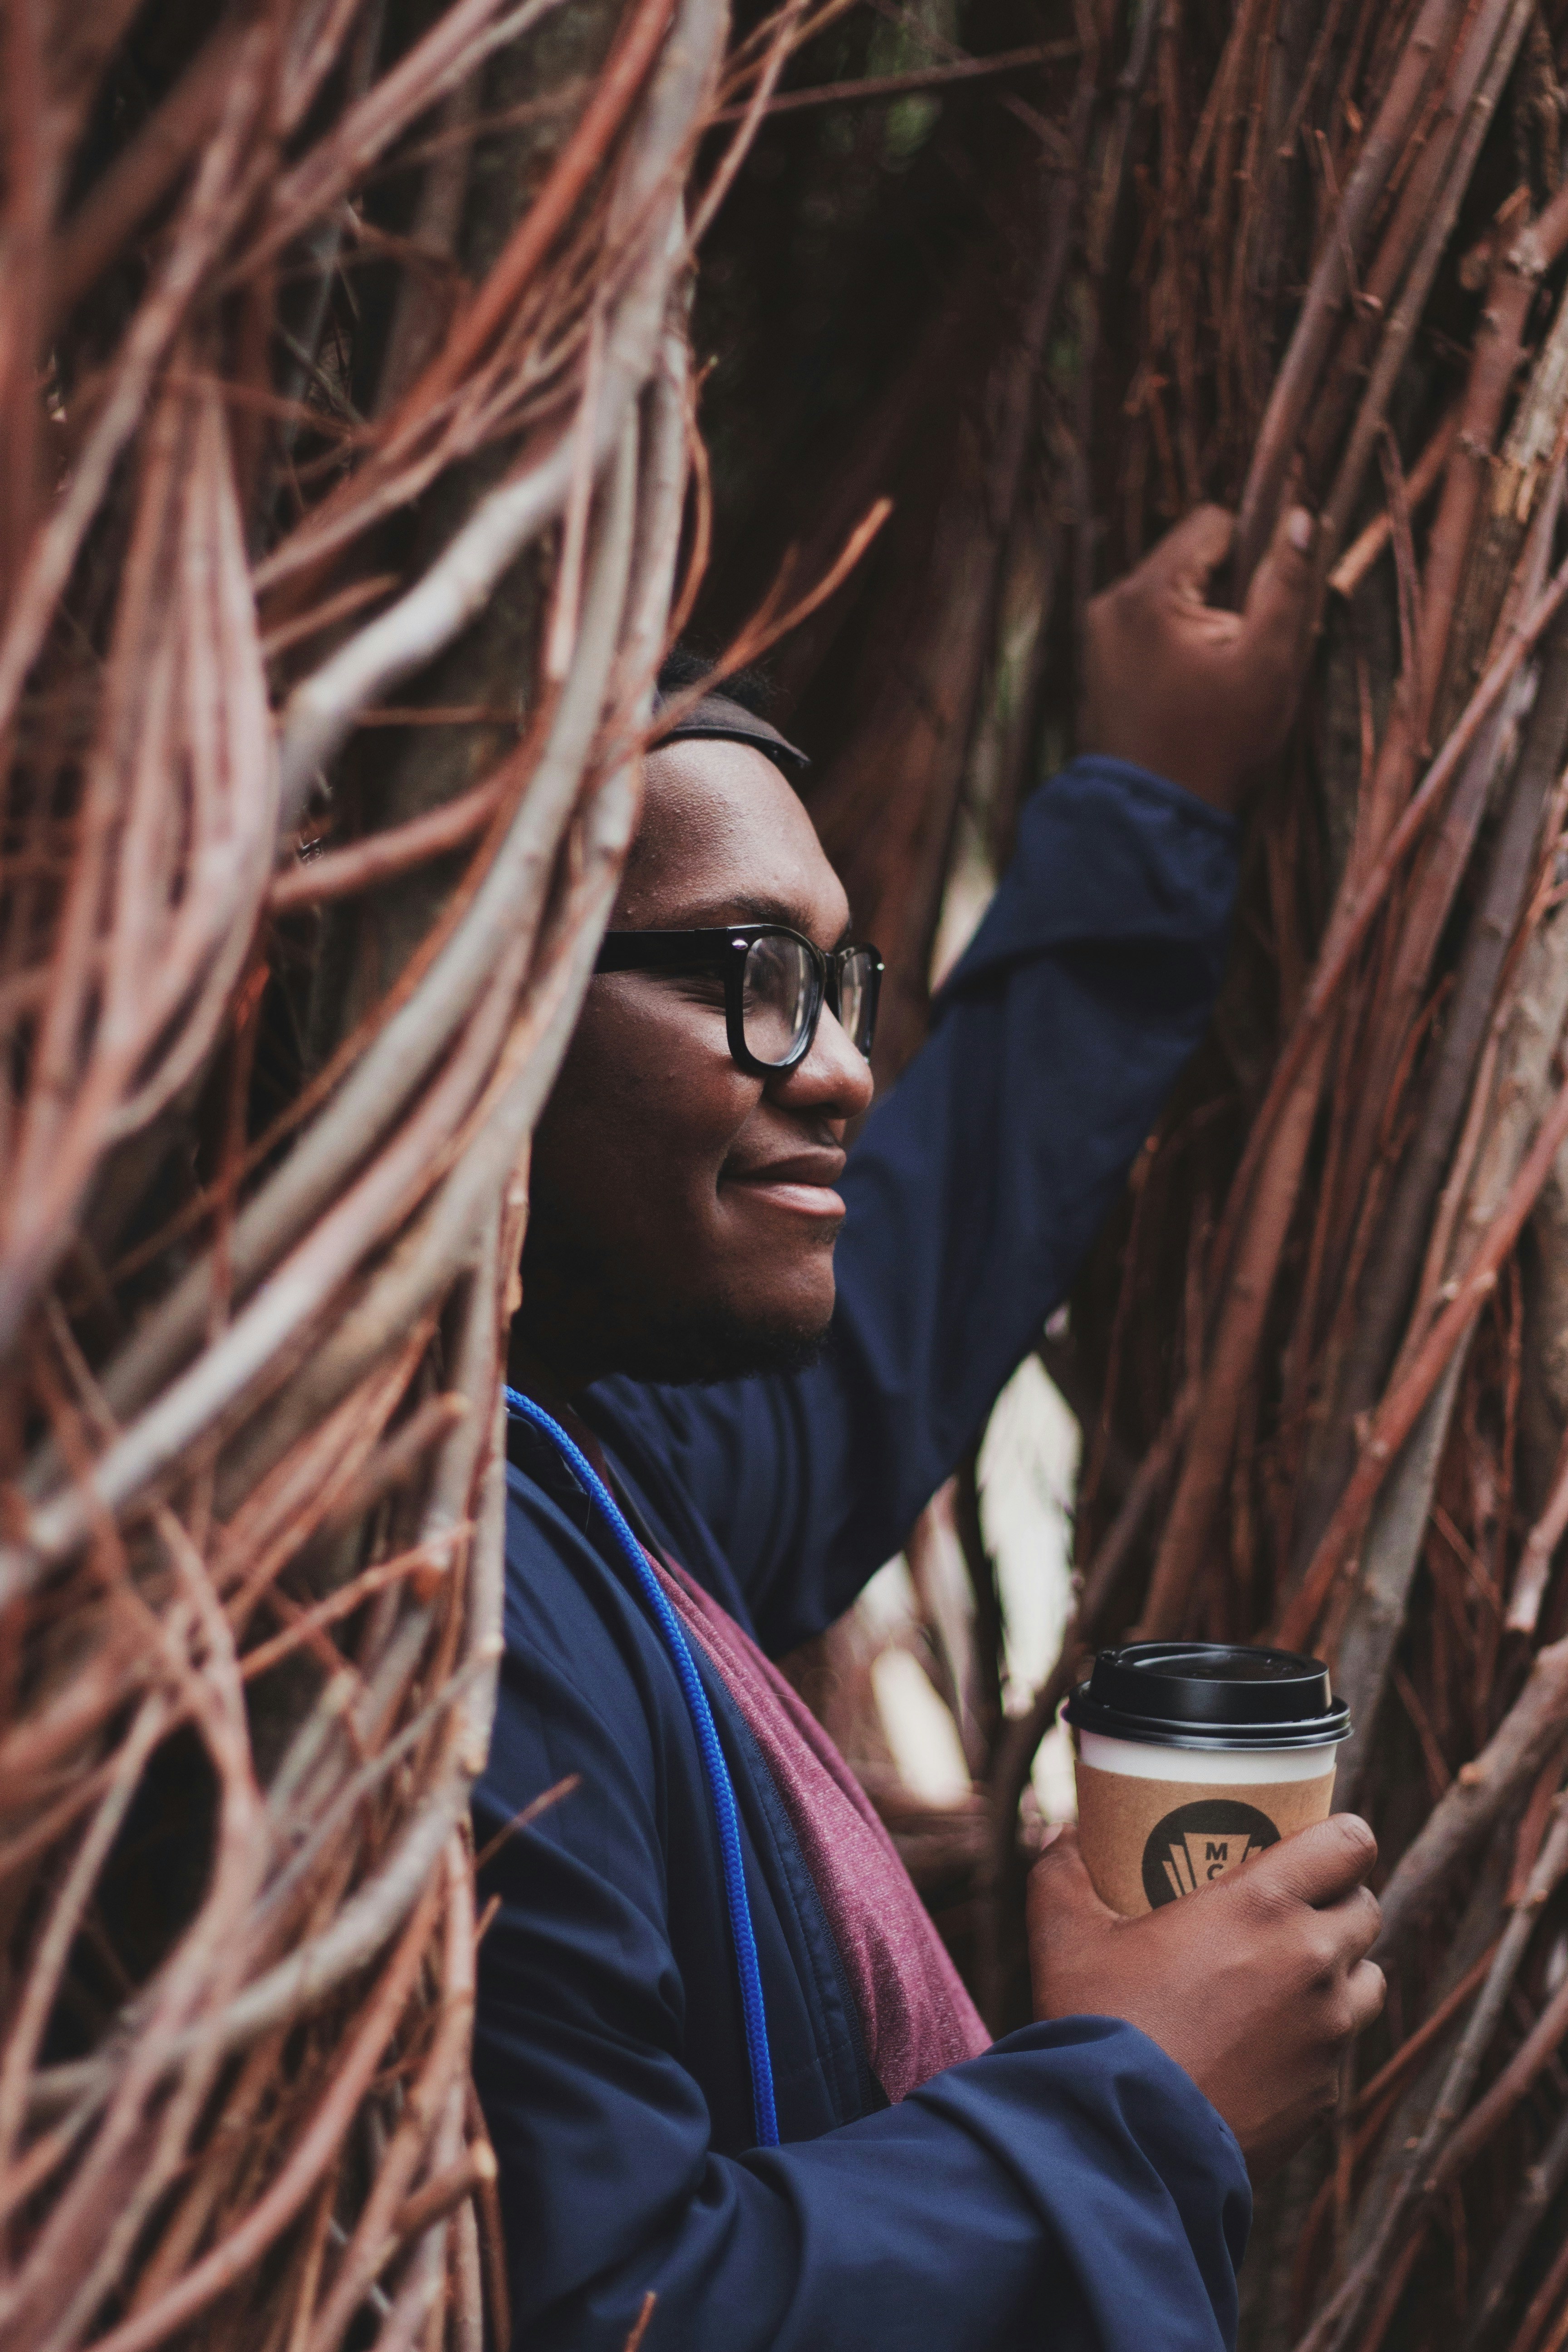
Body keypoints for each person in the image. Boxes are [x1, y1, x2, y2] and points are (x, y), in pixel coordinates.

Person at [474, 503, 1385, 2351]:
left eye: (835, 980)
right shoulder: (452, 1604)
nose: (836, 1063)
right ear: (473, 1010)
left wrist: (1143, 810)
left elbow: (886, 1325)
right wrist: (1139, 2099)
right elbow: (609, 2310)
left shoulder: (594, 1474)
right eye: (746, 975)